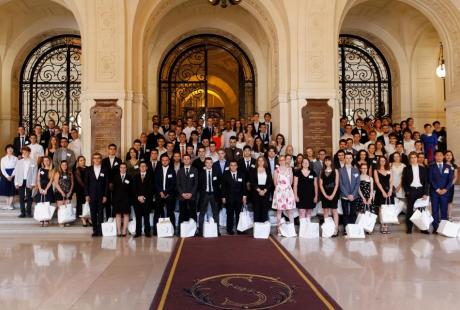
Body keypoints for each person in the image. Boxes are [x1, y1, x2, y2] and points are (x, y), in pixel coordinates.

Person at [402, 152, 429, 234]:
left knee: (421, 210)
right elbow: (404, 182)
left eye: (415, 157)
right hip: (411, 191)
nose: (413, 159)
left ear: (417, 158)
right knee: (410, 210)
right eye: (412, 157)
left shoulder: (423, 169)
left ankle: (423, 228)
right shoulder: (406, 169)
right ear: (410, 159)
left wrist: (425, 193)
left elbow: (426, 182)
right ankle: (409, 228)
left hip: (421, 191)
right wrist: (407, 191)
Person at [429, 150, 454, 232]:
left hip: (445, 192)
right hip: (434, 192)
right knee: (435, 210)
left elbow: (450, 180)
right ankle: (435, 228)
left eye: (441, 155)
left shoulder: (448, 167)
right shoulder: (431, 167)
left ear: (443, 157)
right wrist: (437, 189)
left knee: (444, 210)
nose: (439, 157)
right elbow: (431, 179)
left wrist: (446, 189)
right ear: (435, 157)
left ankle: (443, 228)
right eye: (437, 155)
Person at [85, 153, 109, 237]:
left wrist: (105, 195)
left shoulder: (105, 169)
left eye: (98, 158)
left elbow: (106, 184)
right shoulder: (88, 169)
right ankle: (95, 230)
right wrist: (87, 195)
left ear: (101, 159)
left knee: (101, 213)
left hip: (101, 196)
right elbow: (86, 183)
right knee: (93, 213)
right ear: (93, 160)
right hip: (91, 195)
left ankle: (100, 230)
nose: (97, 160)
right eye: (95, 158)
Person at [271, 156, 296, 235]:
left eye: (283, 160)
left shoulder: (290, 170)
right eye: (280, 160)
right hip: (279, 192)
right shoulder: (276, 171)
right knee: (279, 211)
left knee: (290, 211)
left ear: (285, 160)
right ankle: (279, 230)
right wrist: (280, 189)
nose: (282, 161)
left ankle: (292, 230)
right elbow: (275, 182)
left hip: (288, 192)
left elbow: (291, 182)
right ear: (279, 161)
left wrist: (286, 188)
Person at [222, 160, 247, 235]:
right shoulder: (225, 175)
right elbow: (223, 187)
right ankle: (229, 229)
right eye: (231, 165)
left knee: (238, 214)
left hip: (239, 198)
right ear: (229, 166)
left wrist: (244, 196)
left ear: (237, 166)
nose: (233, 167)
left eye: (234, 165)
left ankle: (239, 229)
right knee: (229, 214)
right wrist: (223, 197)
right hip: (229, 198)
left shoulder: (241, 174)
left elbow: (244, 186)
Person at [197, 157, 221, 237]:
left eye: (210, 162)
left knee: (215, 213)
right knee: (202, 213)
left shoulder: (216, 172)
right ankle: (200, 231)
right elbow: (198, 184)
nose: (209, 164)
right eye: (207, 162)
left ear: (212, 163)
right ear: (205, 163)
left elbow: (219, 184)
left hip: (214, 195)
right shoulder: (201, 172)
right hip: (205, 194)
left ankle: (217, 231)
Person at [153, 154, 177, 234]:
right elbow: (155, 183)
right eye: (163, 160)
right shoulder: (158, 170)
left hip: (169, 195)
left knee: (170, 212)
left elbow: (173, 183)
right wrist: (160, 192)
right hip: (159, 194)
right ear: (161, 161)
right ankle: (155, 231)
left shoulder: (172, 171)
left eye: (166, 160)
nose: (165, 162)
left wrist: (166, 192)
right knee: (157, 213)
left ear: (169, 161)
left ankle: (172, 230)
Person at [177, 154, 198, 233]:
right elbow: (178, 184)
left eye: (188, 159)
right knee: (182, 213)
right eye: (184, 159)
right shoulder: (180, 171)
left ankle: (194, 230)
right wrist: (182, 194)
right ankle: (181, 231)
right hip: (182, 197)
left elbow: (196, 184)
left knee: (193, 213)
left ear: (190, 160)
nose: (186, 160)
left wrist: (191, 194)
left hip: (192, 196)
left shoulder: (194, 170)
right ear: (182, 160)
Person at [339, 153, 360, 234]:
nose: (348, 159)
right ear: (344, 159)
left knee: (353, 212)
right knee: (345, 213)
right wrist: (347, 194)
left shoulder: (356, 170)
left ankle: (352, 229)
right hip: (345, 195)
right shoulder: (340, 170)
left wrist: (353, 194)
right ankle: (346, 229)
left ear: (352, 159)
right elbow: (340, 184)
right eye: (346, 158)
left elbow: (357, 183)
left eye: (350, 158)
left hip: (354, 196)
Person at [319, 156, 340, 236]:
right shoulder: (322, 171)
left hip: (334, 193)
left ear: (331, 162)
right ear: (324, 162)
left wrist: (332, 195)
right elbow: (320, 185)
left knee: (334, 211)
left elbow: (337, 184)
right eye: (326, 161)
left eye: (329, 161)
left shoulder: (336, 171)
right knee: (326, 211)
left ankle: (336, 229)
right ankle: (327, 229)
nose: (327, 162)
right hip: (324, 193)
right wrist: (325, 195)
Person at [14, 147, 37, 218]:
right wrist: (16, 182)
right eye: (23, 152)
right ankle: (22, 212)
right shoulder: (19, 162)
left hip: (29, 181)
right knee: (21, 197)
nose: (24, 153)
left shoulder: (33, 162)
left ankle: (29, 212)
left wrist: (33, 183)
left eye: (26, 152)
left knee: (29, 197)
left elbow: (35, 173)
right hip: (21, 180)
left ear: (29, 152)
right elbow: (16, 172)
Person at [101, 144, 122, 219]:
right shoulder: (104, 161)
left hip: (116, 184)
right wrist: (109, 182)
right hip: (107, 184)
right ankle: (108, 217)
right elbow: (103, 173)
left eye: (114, 149)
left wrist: (113, 182)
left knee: (115, 201)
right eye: (111, 149)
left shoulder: (119, 160)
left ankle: (114, 217)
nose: (112, 150)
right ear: (108, 150)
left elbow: (119, 173)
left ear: (115, 150)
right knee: (107, 201)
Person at [249, 156, 273, 222]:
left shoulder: (267, 170)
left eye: (262, 160)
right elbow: (252, 181)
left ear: (264, 161)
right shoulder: (254, 170)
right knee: (256, 209)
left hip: (265, 191)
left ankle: (264, 229)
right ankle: (257, 228)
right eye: (259, 160)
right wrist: (259, 190)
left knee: (265, 209)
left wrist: (265, 190)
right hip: (256, 191)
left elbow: (270, 182)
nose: (260, 162)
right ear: (257, 162)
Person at [374, 156, 394, 234]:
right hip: (380, 191)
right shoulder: (376, 170)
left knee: (388, 208)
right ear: (379, 162)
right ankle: (383, 225)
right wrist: (383, 191)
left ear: (386, 162)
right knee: (381, 209)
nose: (382, 162)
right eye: (381, 160)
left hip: (389, 191)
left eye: (384, 160)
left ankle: (387, 226)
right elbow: (377, 182)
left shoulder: (389, 170)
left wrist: (390, 190)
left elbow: (391, 181)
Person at [112, 163, 133, 237]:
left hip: (127, 199)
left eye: (124, 167)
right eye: (121, 167)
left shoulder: (129, 177)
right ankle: (118, 231)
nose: (123, 169)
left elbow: (131, 190)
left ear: (126, 168)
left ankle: (124, 230)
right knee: (117, 215)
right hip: (117, 199)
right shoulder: (115, 177)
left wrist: (130, 200)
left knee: (126, 214)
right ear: (119, 168)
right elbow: (113, 189)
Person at [35, 156, 55, 227]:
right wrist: (40, 188)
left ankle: (46, 219)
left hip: (48, 189)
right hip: (40, 188)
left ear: (50, 161)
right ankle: (41, 218)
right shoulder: (40, 169)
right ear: (43, 162)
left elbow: (51, 181)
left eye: (47, 160)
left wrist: (46, 189)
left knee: (47, 203)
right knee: (40, 203)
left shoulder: (52, 170)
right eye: (44, 161)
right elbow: (38, 180)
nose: (46, 162)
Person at [356, 163, 375, 233]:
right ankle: (361, 228)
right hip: (361, 196)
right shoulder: (358, 177)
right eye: (363, 168)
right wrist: (363, 198)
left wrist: (370, 198)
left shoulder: (370, 178)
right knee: (361, 212)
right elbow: (358, 189)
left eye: (365, 168)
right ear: (360, 169)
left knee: (369, 212)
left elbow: (371, 189)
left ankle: (368, 228)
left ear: (367, 169)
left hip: (369, 196)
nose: (364, 170)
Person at [54, 160, 74, 227]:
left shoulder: (70, 173)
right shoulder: (58, 173)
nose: (64, 166)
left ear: (67, 166)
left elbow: (72, 183)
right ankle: (61, 221)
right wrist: (62, 192)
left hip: (68, 192)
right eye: (63, 165)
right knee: (60, 207)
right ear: (60, 166)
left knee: (67, 206)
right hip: (59, 192)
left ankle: (66, 220)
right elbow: (56, 184)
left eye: (65, 165)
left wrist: (70, 192)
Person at [74, 156, 90, 226]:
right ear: (78, 162)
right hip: (80, 189)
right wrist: (86, 188)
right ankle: (83, 219)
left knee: (87, 203)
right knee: (81, 203)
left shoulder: (89, 168)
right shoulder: (77, 170)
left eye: (83, 160)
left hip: (88, 189)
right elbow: (80, 181)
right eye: (80, 160)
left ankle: (88, 217)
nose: (82, 161)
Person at [0, 145, 17, 210]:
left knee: (12, 189)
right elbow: (2, 168)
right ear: (6, 150)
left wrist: (12, 175)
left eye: (11, 149)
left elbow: (16, 168)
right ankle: (8, 204)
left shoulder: (15, 158)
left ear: (13, 150)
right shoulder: (3, 159)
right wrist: (7, 176)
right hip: (5, 175)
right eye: (8, 149)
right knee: (6, 189)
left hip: (13, 174)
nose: (10, 150)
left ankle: (9, 204)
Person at [445, 151, 457, 219]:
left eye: (450, 155)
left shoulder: (454, 166)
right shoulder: (442, 164)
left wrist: (450, 185)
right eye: (447, 155)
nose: (449, 156)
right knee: (443, 201)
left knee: (450, 201)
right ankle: (443, 216)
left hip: (450, 186)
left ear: (452, 157)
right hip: (442, 186)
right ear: (444, 156)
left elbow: (455, 177)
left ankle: (449, 216)